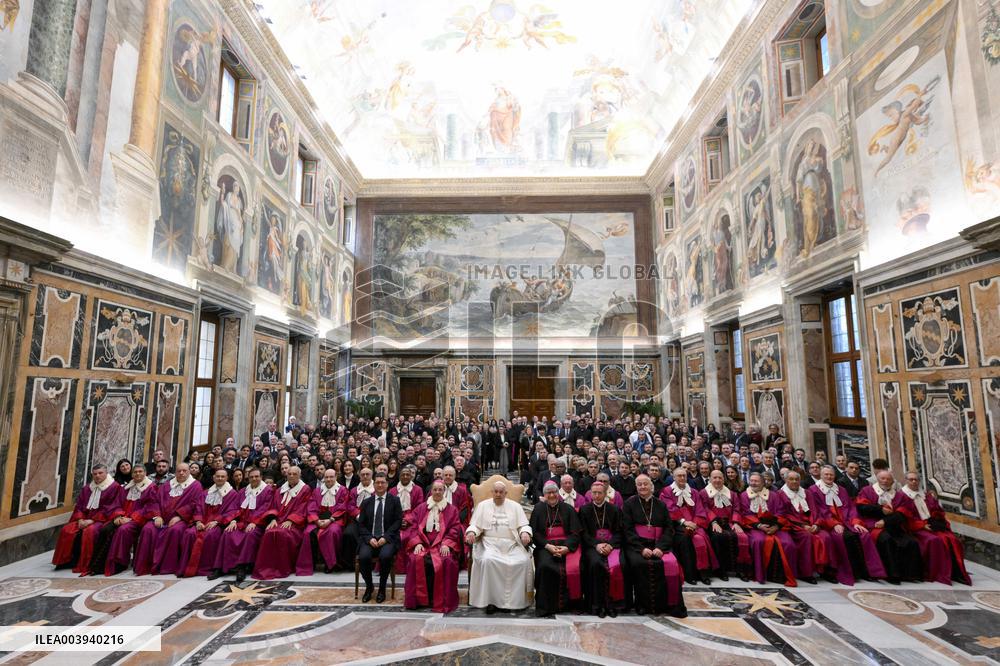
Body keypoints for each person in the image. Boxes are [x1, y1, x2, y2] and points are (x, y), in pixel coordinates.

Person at [621, 475, 687, 618]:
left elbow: (669, 529)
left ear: (651, 486)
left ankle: (667, 604)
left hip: (659, 544)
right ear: (636, 487)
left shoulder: (660, 504)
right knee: (639, 564)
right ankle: (642, 605)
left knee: (671, 564)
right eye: (639, 484)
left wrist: (660, 548)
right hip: (637, 546)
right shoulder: (629, 504)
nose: (643, 487)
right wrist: (641, 548)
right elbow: (627, 530)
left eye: (645, 484)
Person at [807, 465, 883, 585]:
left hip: (847, 522)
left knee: (864, 535)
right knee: (842, 537)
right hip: (827, 524)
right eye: (826, 474)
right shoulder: (813, 490)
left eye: (831, 474)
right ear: (821, 475)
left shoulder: (841, 490)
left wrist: (855, 522)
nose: (829, 476)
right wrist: (834, 524)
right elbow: (819, 511)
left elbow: (851, 508)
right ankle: (844, 572)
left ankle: (867, 572)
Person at [464, 481, 534, 613]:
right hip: (489, 544)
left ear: (506, 493)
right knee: (488, 561)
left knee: (523, 561)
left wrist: (525, 532)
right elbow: (476, 525)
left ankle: (512, 602)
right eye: (495, 491)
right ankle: (491, 601)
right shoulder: (483, 506)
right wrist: (471, 532)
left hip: (512, 545)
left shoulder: (515, 506)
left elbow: (523, 525)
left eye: (501, 492)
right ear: (492, 492)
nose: (498, 494)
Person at [901, 471, 971, 585]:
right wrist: (921, 525)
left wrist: (936, 521)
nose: (914, 482)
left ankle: (956, 573)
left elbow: (937, 510)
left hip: (932, 525)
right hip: (915, 529)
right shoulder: (901, 496)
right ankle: (937, 573)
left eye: (916, 479)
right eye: (911, 479)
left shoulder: (926, 495)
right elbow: (903, 516)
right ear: (906, 480)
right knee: (934, 541)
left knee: (953, 540)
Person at [403, 480, 463, 612]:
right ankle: (419, 600)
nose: (437, 492)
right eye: (435, 489)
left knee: (447, 561)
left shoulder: (451, 509)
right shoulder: (421, 508)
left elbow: (454, 528)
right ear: (431, 491)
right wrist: (417, 542)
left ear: (444, 491)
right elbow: (413, 527)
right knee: (415, 559)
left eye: (440, 490)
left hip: (441, 545)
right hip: (423, 544)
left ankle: (440, 600)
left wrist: (447, 543)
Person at [135, 463, 204, 575]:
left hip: (182, 520)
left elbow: (195, 504)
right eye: (179, 471)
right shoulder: (166, 485)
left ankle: (167, 567)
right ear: (175, 472)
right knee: (148, 529)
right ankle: (145, 566)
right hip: (161, 518)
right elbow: (155, 501)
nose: (181, 473)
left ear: (189, 472)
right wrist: (157, 516)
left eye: (184, 471)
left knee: (175, 531)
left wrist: (179, 516)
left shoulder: (196, 486)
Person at [52, 464, 123, 574]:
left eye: (100, 473)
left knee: (89, 532)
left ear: (106, 473)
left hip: (102, 520)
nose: (97, 476)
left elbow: (112, 507)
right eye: (95, 474)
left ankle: (86, 563)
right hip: (84, 518)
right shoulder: (87, 488)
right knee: (67, 530)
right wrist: (80, 519)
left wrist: (92, 520)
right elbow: (79, 506)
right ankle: (65, 561)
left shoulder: (115, 487)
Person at [856, 470, 923, 584]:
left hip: (893, 525)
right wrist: (880, 510)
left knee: (912, 542)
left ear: (893, 481)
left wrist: (886, 521)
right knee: (886, 540)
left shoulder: (899, 495)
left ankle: (910, 574)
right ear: (877, 479)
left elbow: (903, 513)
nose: (885, 481)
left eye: (888, 479)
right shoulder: (867, 491)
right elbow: (862, 508)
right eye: (883, 478)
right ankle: (892, 575)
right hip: (874, 524)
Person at [530, 481, 583, 617]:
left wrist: (566, 548)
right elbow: (535, 533)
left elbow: (576, 532)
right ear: (544, 494)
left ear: (558, 493)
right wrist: (548, 546)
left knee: (575, 568)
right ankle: (546, 607)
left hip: (566, 546)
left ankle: (571, 604)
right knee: (545, 567)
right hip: (546, 546)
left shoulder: (568, 508)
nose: (552, 495)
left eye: (554, 492)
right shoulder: (538, 509)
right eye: (549, 493)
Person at [252, 466, 312, 580]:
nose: (292, 476)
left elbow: (303, 508)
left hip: (295, 524)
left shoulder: (305, 489)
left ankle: (283, 568)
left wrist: (291, 520)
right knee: (269, 533)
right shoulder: (280, 490)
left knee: (282, 534)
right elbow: (273, 506)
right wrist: (273, 519)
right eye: (289, 474)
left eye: (294, 474)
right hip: (278, 521)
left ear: (299, 475)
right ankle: (268, 567)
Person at [97, 464, 158, 576]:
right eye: (135, 472)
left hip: (140, 520)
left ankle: (119, 562)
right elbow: (117, 503)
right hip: (123, 517)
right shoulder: (126, 488)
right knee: (105, 529)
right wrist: (118, 516)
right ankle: (101, 564)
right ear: (132, 474)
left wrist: (131, 518)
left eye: (140, 471)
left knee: (123, 530)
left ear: (145, 473)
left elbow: (150, 506)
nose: (137, 474)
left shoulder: (151, 487)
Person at [659, 467, 716, 585]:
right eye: (679, 476)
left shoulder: (694, 492)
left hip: (695, 524)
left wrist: (694, 523)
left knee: (701, 539)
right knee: (685, 539)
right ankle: (690, 575)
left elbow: (700, 510)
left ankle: (703, 573)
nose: (682, 478)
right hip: (676, 525)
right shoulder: (667, 491)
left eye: (684, 476)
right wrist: (684, 522)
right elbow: (670, 510)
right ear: (673, 477)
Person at [740, 472, 796, 586]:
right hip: (755, 527)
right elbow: (745, 514)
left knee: (788, 543)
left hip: (775, 526)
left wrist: (776, 526)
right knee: (758, 541)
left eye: (756, 481)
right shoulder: (744, 495)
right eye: (751, 481)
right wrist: (759, 526)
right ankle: (761, 574)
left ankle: (782, 576)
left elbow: (781, 512)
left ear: (763, 483)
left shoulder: (774, 495)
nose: (753, 483)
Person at [578, 482, 625, 617]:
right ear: (590, 494)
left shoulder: (614, 509)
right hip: (593, 547)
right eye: (594, 493)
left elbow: (619, 532)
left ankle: (612, 605)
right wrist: (596, 545)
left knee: (619, 565)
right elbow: (583, 533)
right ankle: (597, 605)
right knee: (596, 564)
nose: (597, 495)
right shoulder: (585, 510)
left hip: (611, 546)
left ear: (605, 494)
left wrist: (610, 545)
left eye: (600, 493)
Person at [357, 472, 403, 603]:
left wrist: (386, 537)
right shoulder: (366, 502)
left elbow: (398, 522)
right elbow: (361, 525)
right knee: (364, 557)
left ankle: (382, 588)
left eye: (383, 482)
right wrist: (369, 538)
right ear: (374, 484)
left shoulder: (395, 501)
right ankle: (369, 586)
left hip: (388, 538)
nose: (380, 485)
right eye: (377, 482)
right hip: (369, 538)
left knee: (385, 557)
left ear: (387, 484)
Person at [223, 467, 275, 582]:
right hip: (241, 522)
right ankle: (226, 566)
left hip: (258, 524)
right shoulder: (243, 491)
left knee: (250, 534)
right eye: (251, 477)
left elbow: (265, 508)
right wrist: (233, 520)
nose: (254, 479)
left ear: (261, 477)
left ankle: (242, 566)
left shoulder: (267, 491)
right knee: (228, 532)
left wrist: (254, 522)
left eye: (256, 476)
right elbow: (234, 507)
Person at [186, 469, 240, 577]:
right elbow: (198, 508)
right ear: (214, 477)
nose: (220, 478)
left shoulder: (232, 494)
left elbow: (233, 510)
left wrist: (217, 521)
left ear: (227, 478)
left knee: (210, 535)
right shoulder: (206, 492)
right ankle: (188, 567)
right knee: (189, 533)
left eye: (222, 477)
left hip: (219, 524)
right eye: (218, 476)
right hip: (202, 522)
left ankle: (207, 568)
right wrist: (198, 521)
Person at [773, 471, 822, 584]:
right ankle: (806, 572)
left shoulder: (807, 493)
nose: (794, 482)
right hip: (792, 526)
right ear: (785, 480)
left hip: (810, 524)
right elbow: (783, 514)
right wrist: (802, 525)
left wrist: (816, 524)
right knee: (806, 537)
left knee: (826, 537)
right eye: (791, 479)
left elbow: (815, 510)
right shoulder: (780, 494)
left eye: (797, 479)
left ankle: (826, 571)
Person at [701, 470, 751, 582]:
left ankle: (741, 570)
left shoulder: (732, 494)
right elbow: (705, 509)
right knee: (718, 537)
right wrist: (713, 522)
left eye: (720, 478)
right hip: (713, 523)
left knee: (742, 537)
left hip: (730, 522)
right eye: (715, 478)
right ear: (710, 479)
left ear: (724, 479)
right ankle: (721, 571)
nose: (717, 480)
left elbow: (737, 509)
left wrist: (736, 523)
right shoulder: (704, 493)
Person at [298, 469, 349, 574]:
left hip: (335, 520)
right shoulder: (317, 491)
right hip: (318, 520)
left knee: (332, 532)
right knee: (308, 533)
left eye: (331, 477)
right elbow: (311, 507)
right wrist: (317, 521)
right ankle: (310, 564)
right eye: (326, 477)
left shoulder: (342, 490)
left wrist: (330, 520)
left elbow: (342, 508)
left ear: (336, 477)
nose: (329, 479)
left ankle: (330, 564)